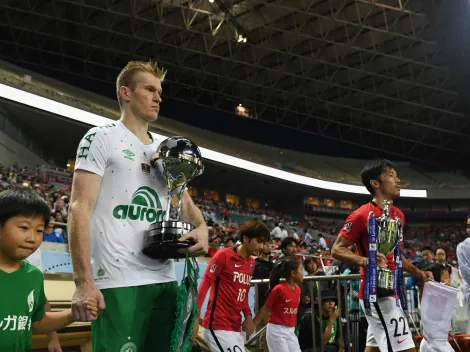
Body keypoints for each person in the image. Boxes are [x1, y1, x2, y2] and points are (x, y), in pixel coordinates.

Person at [68, 61, 208, 352]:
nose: (159, 97)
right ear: (126, 93)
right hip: (118, 280)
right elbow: (79, 207)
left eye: (160, 91)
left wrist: (203, 227)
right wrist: (84, 282)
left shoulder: (165, 148)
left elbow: (183, 201)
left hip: (165, 277)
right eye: (149, 89)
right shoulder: (102, 137)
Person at [331, 159, 433, 352]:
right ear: (375, 183)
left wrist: (417, 272)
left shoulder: (399, 215)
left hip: (392, 290)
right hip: (376, 294)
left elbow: (395, 255)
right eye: (391, 175)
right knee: (406, 349)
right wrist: (365, 260)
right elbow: (336, 249)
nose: (398, 180)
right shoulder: (361, 215)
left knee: (374, 348)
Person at [0, 187, 99, 351]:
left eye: (39, 230)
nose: (32, 238)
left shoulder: (34, 275)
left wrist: (72, 314)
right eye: (24, 228)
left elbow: (38, 323)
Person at [194, 220, 270, 352]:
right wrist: (195, 317)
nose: (261, 246)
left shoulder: (251, 263)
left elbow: (244, 292)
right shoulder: (224, 256)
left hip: (236, 328)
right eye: (259, 241)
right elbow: (205, 284)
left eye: (263, 242)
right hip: (217, 326)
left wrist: (247, 316)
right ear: (246, 238)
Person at [253, 256, 303, 352]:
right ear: (293, 273)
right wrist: (254, 323)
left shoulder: (298, 289)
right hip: (277, 331)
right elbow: (266, 307)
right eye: (301, 269)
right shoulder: (279, 289)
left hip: (290, 331)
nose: (303, 273)